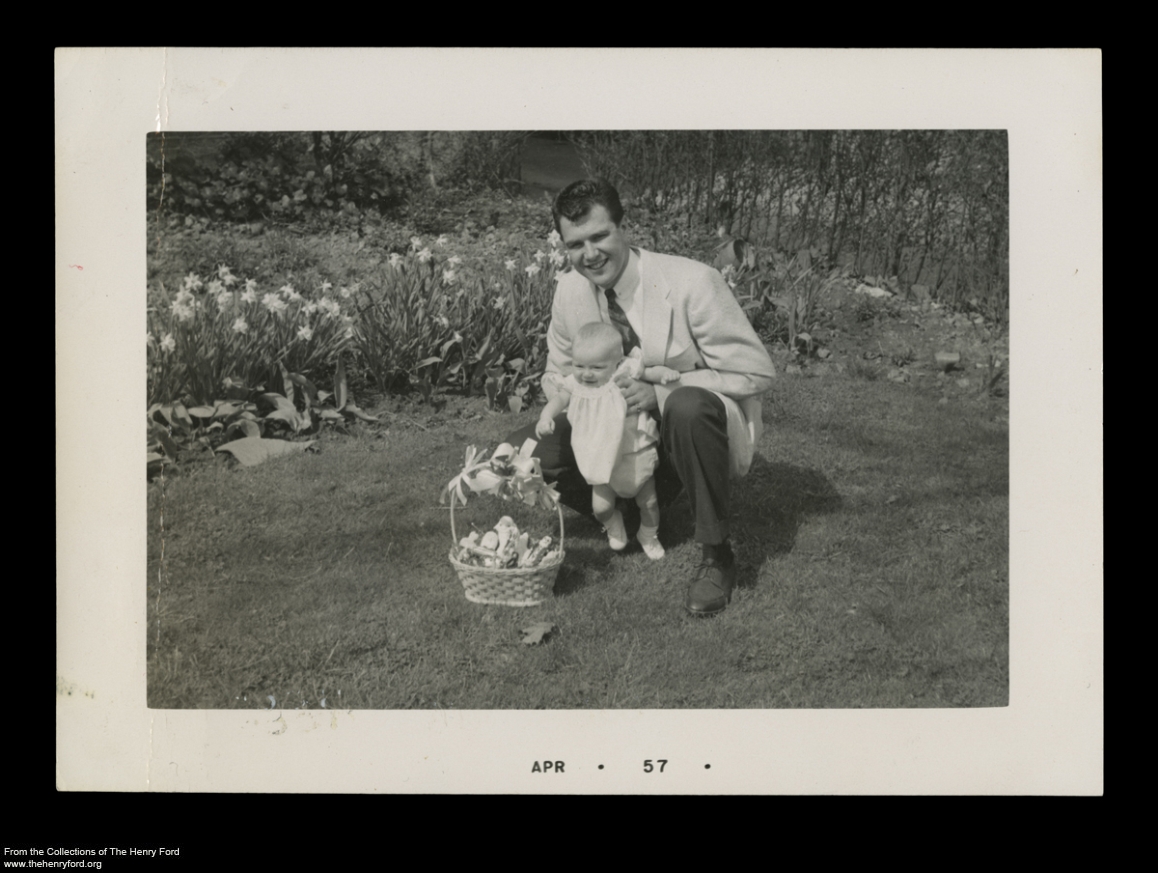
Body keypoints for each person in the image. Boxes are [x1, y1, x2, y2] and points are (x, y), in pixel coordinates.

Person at [506, 178, 776, 616]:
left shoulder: (692, 282)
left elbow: (755, 371)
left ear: (623, 227)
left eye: (599, 236)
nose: (589, 255)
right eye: (575, 244)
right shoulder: (570, 290)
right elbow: (557, 371)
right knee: (527, 452)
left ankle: (717, 554)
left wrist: (661, 391)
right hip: (612, 432)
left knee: (687, 405)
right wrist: (584, 394)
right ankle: (629, 511)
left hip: (689, 429)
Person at [535, 321, 681, 560]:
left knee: (649, 502)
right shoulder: (575, 384)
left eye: (596, 367)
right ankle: (613, 521)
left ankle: (648, 534)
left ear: (617, 361)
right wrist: (545, 417)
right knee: (601, 508)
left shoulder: (623, 373)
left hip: (634, 453)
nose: (586, 373)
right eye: (579, 365)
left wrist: (664, 374)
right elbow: (559, 399)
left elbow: (647, 372)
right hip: (600, 458)